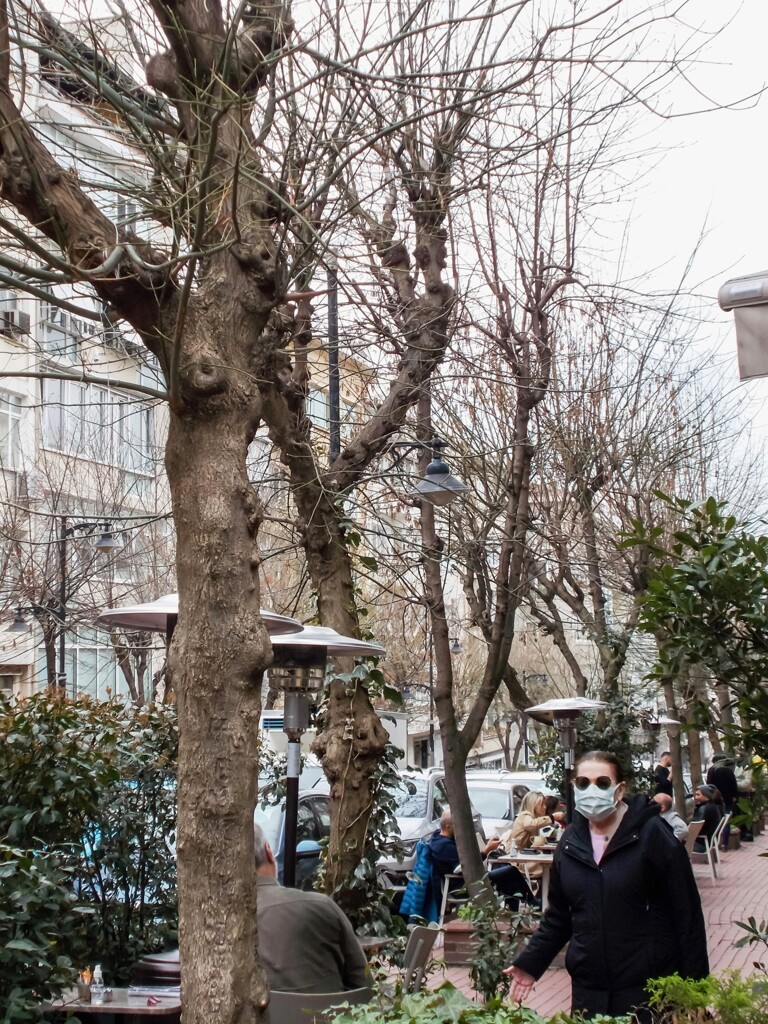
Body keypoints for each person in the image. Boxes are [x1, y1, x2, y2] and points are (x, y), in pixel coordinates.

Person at [505, 750, 708, 1023]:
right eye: (583, 783)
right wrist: (530, 965)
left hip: (647, 991)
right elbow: (560, 917)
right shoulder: (570, 842)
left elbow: (687, 914)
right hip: (590, 993)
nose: (592, 790)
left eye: (602, 783)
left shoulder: (653, 836)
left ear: (619, 789)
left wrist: (695, 990)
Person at [253, 822, 370, 993]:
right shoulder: (323, 907)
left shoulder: (212, 925)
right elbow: (364, 987)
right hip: (328, 1017)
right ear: (269, 852)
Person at [706, 754, 738, 849]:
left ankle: (714, 842)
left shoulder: (712, 771)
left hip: (715, 799)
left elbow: (709, 785)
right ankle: (724, 843)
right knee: (726, 820)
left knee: (715, 820)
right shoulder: (729, 771)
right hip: (727, 799)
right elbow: (734, 785)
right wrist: (734, 796)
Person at [691, 784, 724, 852]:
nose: (696, 797)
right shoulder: (714, 806)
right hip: (710, 841)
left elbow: (695, 829)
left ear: (706, 796)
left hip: (702, 844)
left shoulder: (704, 809)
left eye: (698, 795)